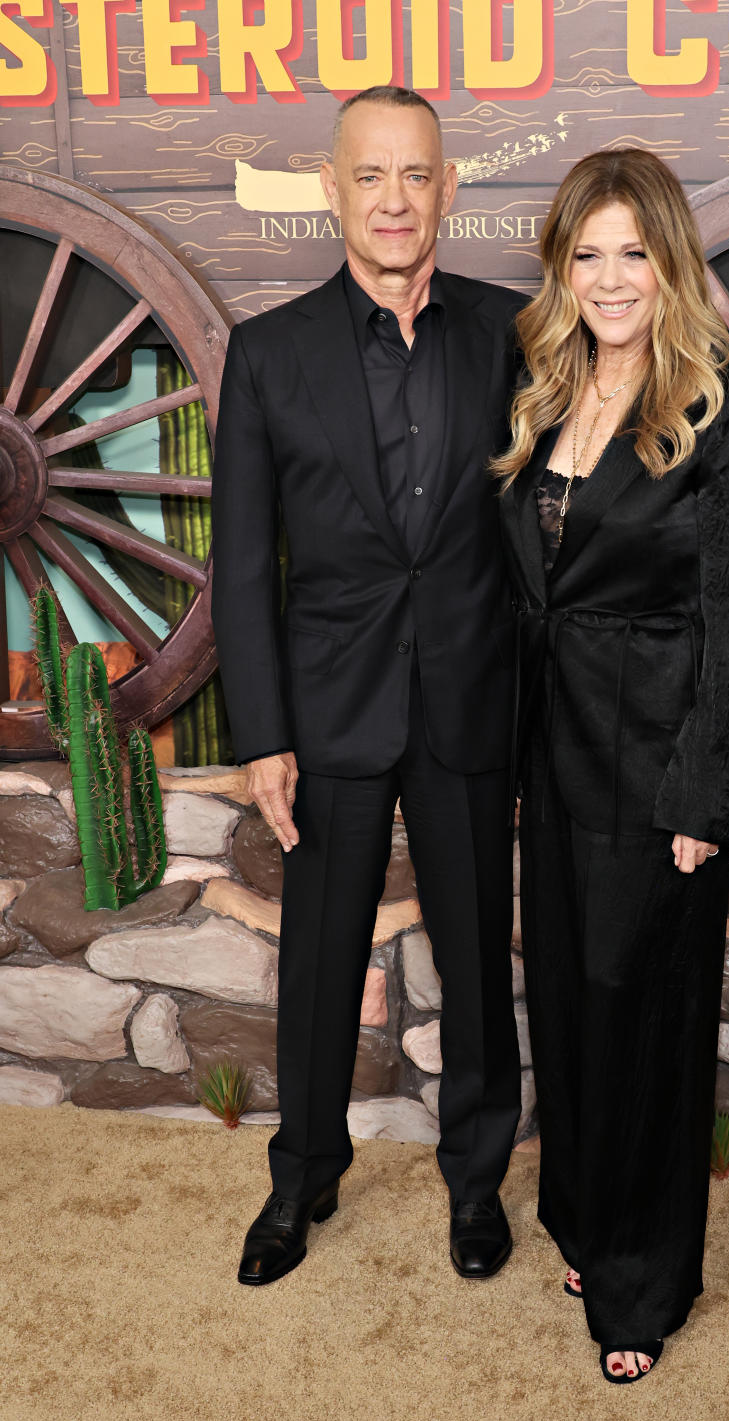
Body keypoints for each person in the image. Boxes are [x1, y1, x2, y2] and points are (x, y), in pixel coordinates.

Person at [211, 85, 523, 1288]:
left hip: (468, 700)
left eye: (417, 175)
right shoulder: (269, 351)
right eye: (370, 175)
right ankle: (303, 1180)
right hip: (328, 709)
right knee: (319, 964)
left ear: (448, 189)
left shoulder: (515, 334)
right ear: (333, 190)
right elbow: (244, 561)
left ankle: (478, 1183)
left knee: (478, 971)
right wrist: (263, 732)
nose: (395, 199)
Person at [495, 149, 729, 1383]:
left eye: (634, 252)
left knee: (644, 1015)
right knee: (562, 997)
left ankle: (640, 1285)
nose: (611, 279)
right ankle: (582, 1217)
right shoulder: (545, 385)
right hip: (549, 749)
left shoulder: (724, 406)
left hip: (657, 753)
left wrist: (706, 791)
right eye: (587, 254)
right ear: (563, 268)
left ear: (671, 260)